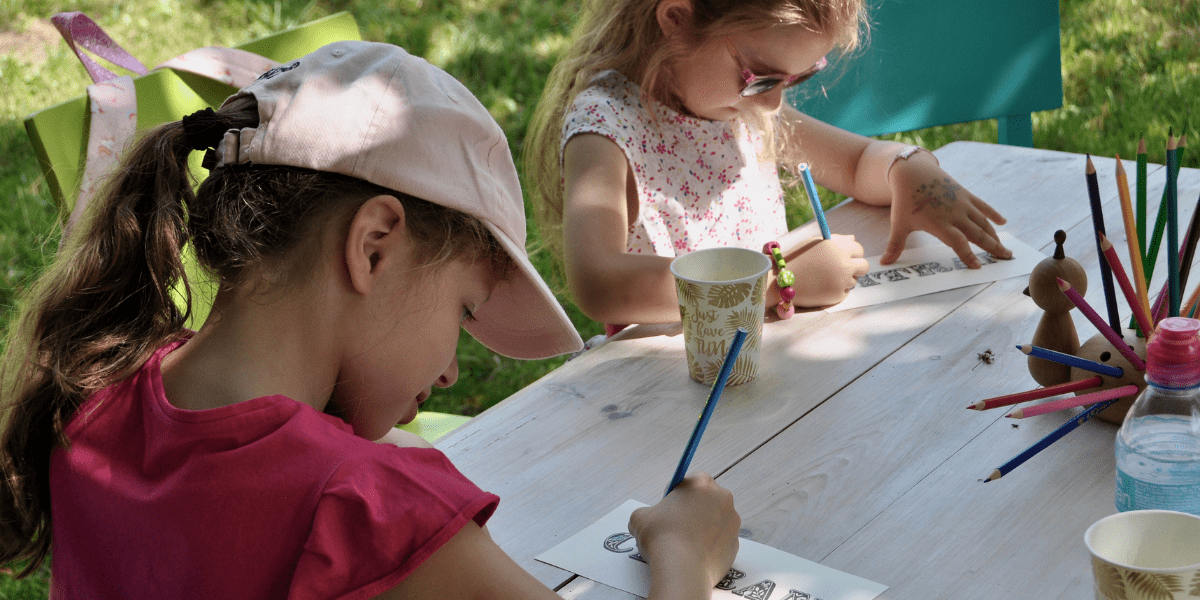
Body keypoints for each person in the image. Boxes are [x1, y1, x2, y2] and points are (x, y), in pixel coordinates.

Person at [0, 41, 740, 599]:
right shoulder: (367, 508)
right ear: (374, 246)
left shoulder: (93, 399)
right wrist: (684, 552)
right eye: (465, 309)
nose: (452, 369)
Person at [525, 0, 1013, 333]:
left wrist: (908, 168)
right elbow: (599, 282)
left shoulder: (741, 108)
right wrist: (778, 284)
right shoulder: (607, 123)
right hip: (673, 390)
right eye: (760, 77)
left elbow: (858, 160)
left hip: (773, 368)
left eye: (800, 76)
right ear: (676, 19)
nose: (774, 100)